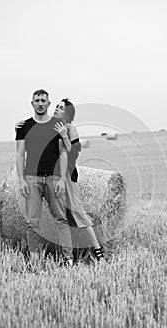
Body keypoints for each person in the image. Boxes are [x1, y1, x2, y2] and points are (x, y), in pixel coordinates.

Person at [15, 89, 74, 267]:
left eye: (43, 100)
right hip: (32, 179)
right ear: (32, 103)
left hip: (53, 178)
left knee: (61, 219)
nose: (40, 103)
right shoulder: (24, 126)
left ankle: (68, 259)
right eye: (37, 100)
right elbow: (19, 155)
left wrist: (63, 179)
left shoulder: (57, 125)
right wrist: (21, 180)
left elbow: (63, 153)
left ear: (48, 104)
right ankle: (35, 260)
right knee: (32, 222)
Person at [53, 98, 105, 262]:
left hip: (67, 175)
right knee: (61, 215)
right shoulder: (50, 128)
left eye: (61, 108)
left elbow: (73, 153)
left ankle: (98, 250)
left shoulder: (70, 129)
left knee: (77, 212)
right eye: (56, 106)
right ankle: (68, 254)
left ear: (67, 113)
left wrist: (64, 136)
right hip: (52, 175)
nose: (57, 109)